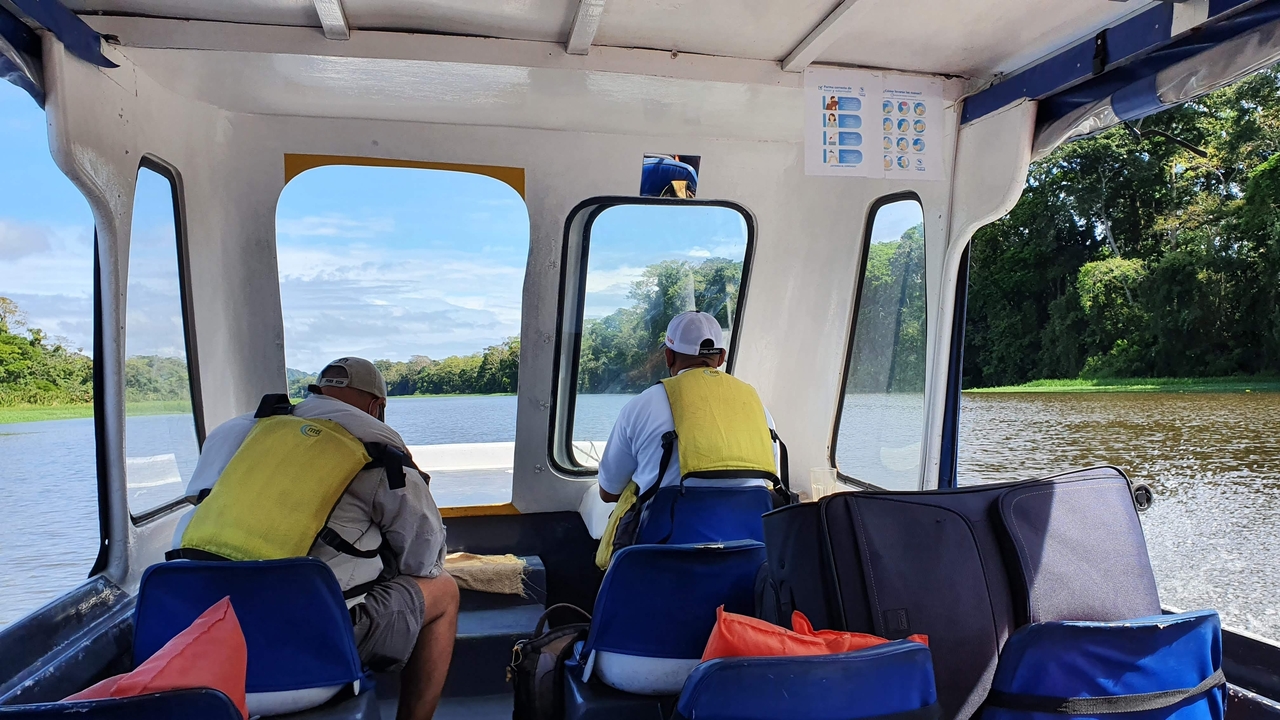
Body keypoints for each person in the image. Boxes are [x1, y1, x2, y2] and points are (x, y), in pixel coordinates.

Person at [173, 357, 457, 720]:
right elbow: (424, 559)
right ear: (377, 407)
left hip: (198, 641)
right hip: (308, 659)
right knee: (444, 589)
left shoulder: (239, 430)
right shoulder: (376, 447)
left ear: (317, 392)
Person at [597, 311, 778, 505]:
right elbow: (770, 481)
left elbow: (609, 493)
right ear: (720, 358)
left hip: (665, 535)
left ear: (668, 356)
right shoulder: (757, 407)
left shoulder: (641, 406)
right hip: (751, 534)